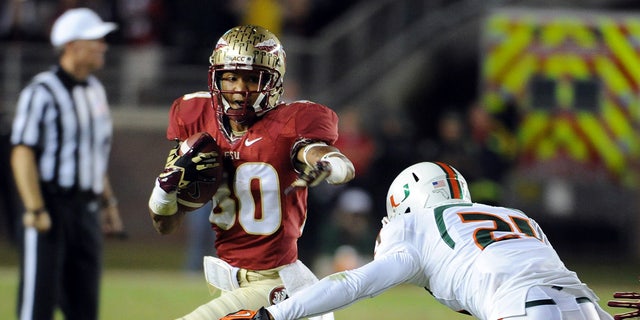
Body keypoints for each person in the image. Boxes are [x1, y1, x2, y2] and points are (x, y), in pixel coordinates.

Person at [221, 161, 614, 320]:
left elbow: (355, 284)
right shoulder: (516, 216)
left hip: (522, 308)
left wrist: (273, 315)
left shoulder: (415, 225)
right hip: (589, 306)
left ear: (406, 202)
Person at [147, 25, 355, 320]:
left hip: (280, 288)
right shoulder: (196, 120)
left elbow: (321, 155)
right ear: (215, 77)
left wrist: (330, 164)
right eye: (230, 77)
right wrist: (164, 190)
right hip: (236, 285)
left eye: (250, 78)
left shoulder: (288, 125)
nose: (238, 89)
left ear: (273, 81)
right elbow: (164, 224)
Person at [10, 7, 123, 320]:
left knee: (84, 306)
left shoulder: (96, 92)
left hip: (86, 211)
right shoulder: (42, 91)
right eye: (95, 40)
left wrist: (108, 203)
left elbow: (94, 155)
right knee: (38, 303)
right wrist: (35, 208)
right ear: (73, 45)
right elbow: (22, 152)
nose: (103, 46)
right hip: (51, 206)